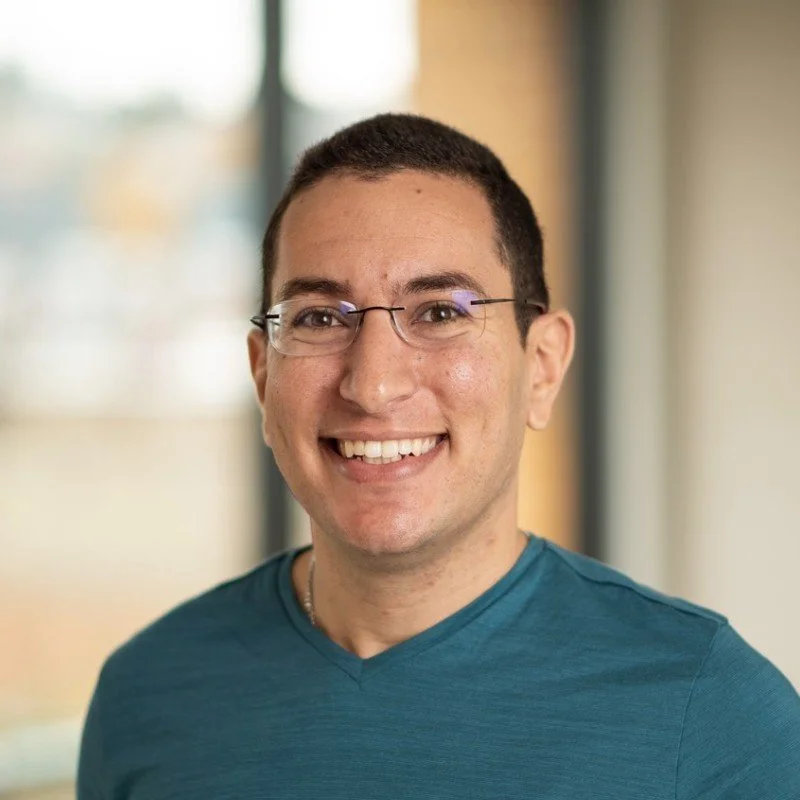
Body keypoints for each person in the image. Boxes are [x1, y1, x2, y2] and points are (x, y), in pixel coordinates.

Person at [77, 113, 800, 799]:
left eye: (441, 312)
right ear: (264, 377)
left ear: (542, 367)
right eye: (320, 317)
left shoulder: (713, 715)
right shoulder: (147, 695)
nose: (373, 384)